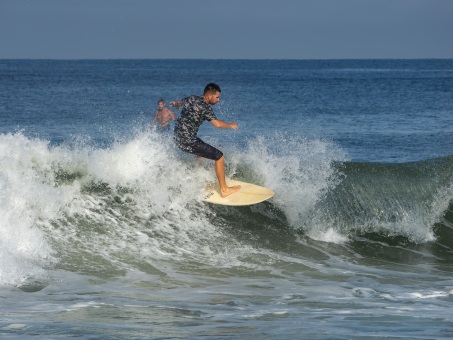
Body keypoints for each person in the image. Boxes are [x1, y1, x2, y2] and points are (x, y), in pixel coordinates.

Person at [170, 83, 241, 198]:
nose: (218, 100)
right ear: (209, 96)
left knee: (201, 153)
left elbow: (179, 103)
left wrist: (175, 105)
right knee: (219, 156)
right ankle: (224, 189)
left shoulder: (192, 98)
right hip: (188, 141)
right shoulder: (205, 108)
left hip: (178, 139)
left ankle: (198, 177)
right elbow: (217, 124)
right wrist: (230, 125)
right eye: (217, 97)